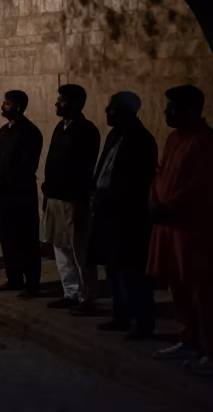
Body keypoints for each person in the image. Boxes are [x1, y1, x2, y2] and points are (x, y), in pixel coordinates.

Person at [149, 84, 213, 377]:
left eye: (172, 108)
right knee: (177, 284)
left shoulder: (209, 143)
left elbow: (199, 185)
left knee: (203, 290)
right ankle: (188, 338)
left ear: (190, 110)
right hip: (169, 226)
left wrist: (167, 205)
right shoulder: (173, 139)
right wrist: (154, 199)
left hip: (194, 229)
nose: (166, 112)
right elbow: (160, 173)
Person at [88, 91, 157, 339]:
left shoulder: (141, 140)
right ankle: (120, 315)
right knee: (113, 267)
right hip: (107, 211)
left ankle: (143, 321)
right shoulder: (114, 135)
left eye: (112, 109)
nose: (107, 112)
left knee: (132, 271)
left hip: (127, 216)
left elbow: (137, 182)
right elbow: (104, 168)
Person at [42, 84, 102, 314]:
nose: (57, 104)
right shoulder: (61, 127)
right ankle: (70, 291)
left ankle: (88, 297)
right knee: (60, 246)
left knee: (79, 249)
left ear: (75, 104)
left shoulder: (86, 130)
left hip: (73, 198)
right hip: (56, 196)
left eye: (62, 100)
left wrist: (68, 189)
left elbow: (81, 166)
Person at [0, 90, 44, 297]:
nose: (3, 106)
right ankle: (14, 278)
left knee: (26, 240)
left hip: (20, 195)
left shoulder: (29, 132)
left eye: (7, 103)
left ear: (18, 107)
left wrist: (5, 183)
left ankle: (32, 284)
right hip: (2, 195)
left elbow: (26, 166)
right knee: (7, 238)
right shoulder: (4, 131)